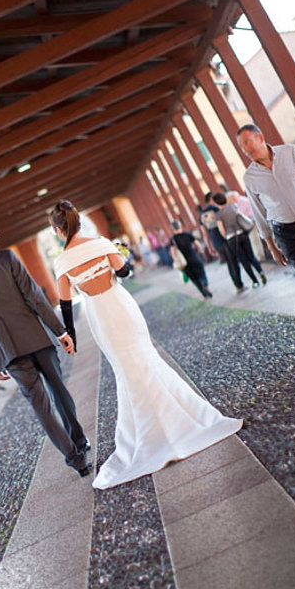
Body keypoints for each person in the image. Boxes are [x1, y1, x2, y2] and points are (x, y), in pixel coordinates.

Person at [50, 200, 242, 489]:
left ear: (58, 229)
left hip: (100, 316)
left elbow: (66, 303)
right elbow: (125, 272)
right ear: (78, 221)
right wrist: (119, 257)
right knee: (145, 356)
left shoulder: (62, 261)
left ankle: (146, 432)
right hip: (121, 306)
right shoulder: (101, 243)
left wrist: (71, 337)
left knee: (125, 368)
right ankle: (181, 417)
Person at [0, 215, 91, 477]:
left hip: (9, 353)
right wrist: (60, 331)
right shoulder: (6, 258)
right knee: (59, 391)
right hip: (36, 339)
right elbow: (35, 297)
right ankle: (80, 441)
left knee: (41, 407)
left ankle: (76, 459)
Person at [237, 123, 295, 320]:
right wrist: (271, 245)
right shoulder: (249, 177)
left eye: (247, 142)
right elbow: (259, 213)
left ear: (260, 138)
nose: (245, 150)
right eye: (241, 147)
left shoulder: (290, 152)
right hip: (286, 234)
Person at [212, 192, 266, 289]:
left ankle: (255, 281)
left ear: (216, 203)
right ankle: (260, 272)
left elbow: (222, 230)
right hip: (242, 234)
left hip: (232, 239)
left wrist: (226, 236)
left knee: (244, 260)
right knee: (251, 256)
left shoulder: (218, 214)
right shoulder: (234, 206)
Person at [199, 192, 241, 290]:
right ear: (211, 199)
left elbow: (204, 234)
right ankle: (238, 284)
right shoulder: (216, 209)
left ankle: (237, 283)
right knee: (233, 262)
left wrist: (209, 247)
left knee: (229, 263)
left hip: (216, 242)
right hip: (225, 238)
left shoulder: (201, 215)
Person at [170, 220, 212, 299]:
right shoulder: (187, 234)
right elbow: (197, 244)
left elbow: (173, 252)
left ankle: (205, 295)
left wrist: (176, 260)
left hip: (184, 263)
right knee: (201, 273)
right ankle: (204, 283)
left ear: (173, 229)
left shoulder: (173, 239)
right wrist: (200, 250)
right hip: (194, 257)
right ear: (180, 226)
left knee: (194, 279)